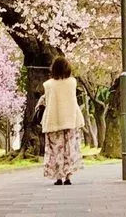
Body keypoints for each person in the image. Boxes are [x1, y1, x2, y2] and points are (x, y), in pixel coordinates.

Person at [36, 56, 85, 185]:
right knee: (69, 149)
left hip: (53, 120)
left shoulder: (48, 85)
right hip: (70, 120)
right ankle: (68, 176)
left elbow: (46, 100)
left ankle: (58, 177)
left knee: (55, 150)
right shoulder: (72, 82)